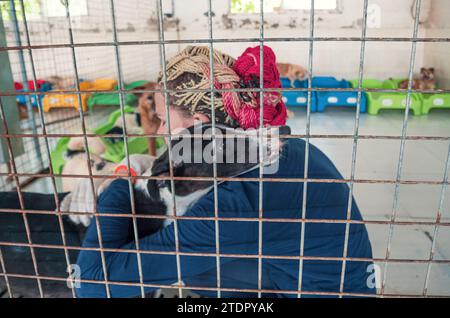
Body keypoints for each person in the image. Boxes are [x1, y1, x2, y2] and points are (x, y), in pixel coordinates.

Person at [75, 45, 376, 298]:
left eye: (165, 120)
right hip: (313, 276)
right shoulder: (272, 145)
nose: (161, 130)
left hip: (307, 287)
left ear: (196, 122)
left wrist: (118, 183)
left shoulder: (239, 198)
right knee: (190, 261)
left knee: (186, 265)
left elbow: (90, 284)